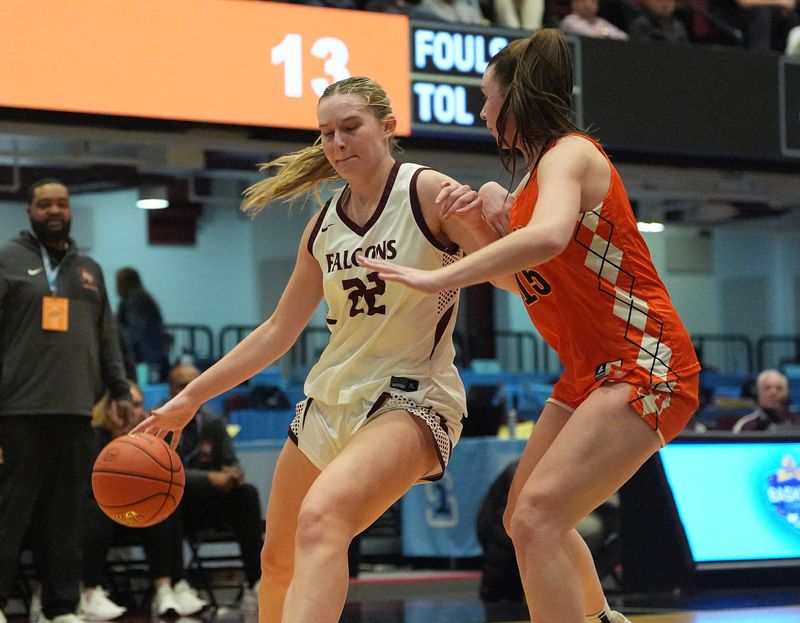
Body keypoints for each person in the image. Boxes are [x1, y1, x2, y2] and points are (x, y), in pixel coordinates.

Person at [358, 30, 701, 623]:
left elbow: (545, 239)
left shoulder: (570, 154)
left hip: (645, 362)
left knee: (542, 516)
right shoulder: (531, 182)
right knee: (522, 518)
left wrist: (444, 277)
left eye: (488, 98)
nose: (482, 111)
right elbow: (522, 279)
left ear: (517, 99)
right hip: (589, 374)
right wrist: (487, 226)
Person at [132, 76, 498, 623]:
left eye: (350, 128)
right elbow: (278, 332)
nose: (337, 143)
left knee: (322, 519)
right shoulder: (323, 226)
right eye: (326, 134)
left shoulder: (425, 192)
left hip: (413, 395)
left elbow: (514, 278)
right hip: (331, 401)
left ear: (388, 127)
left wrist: (477, 226)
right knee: (277, 560)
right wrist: (192, 397)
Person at [0, 179, 133, 623]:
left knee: (67, 515)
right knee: (9, 514)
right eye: (44, 204)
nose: (54, 210)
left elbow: (106, 338)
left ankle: (61, 607)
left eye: (61, 203)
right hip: (17, 409)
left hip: (77, 410)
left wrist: (119, 390)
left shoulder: (89, 270)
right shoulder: (6, 261)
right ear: (30, 212)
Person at [80, 382, 208, 621]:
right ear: (109, 409)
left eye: (139, 404)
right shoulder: (93, 436)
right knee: (94, 510)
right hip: (103, 517)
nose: (137, 411)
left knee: (162, 502)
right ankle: (90, 591)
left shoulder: (148, 439)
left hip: (137, 518)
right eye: (132, 404)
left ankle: (166, 587)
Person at [169, 364, 263, 613]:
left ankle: (256, 582)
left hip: (210, 505)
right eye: (182, 385)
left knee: (247, 494)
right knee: (167, 499)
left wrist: (233, 473)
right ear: (170, 391)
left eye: (194, 384)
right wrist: (210, 478)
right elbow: (165, 475)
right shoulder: (161, 424)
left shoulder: (213, 422)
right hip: (176, 508)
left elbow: (230, 463)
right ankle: (177, 584)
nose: (189, 390)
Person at [115, 267, 170, 383]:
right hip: (153, 354)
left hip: (145, 357)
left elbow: (135, 330)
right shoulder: (142, 298)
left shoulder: (134, 300)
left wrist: (122, 350)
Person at [732, 368, 799, 432]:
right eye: (767, 388)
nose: (773, 393)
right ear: (757, 393)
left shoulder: (797, 421)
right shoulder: (746, 426)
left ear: (787, 393)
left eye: (779, 388)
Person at [559, 0, 630, 39]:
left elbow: (624, 37)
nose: (588, 6)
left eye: (592, 2)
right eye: (583, 1)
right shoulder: (569, 20)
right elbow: (589, 35)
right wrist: (605, 34)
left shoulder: (601, 22)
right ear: (573, 4)